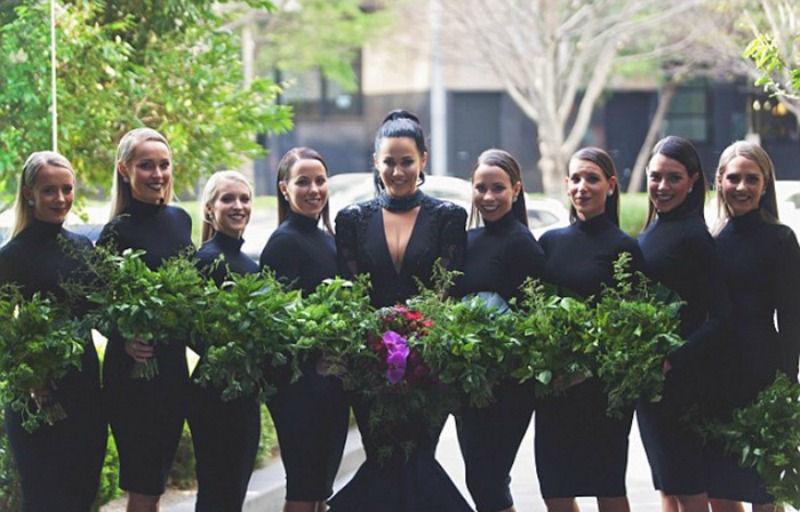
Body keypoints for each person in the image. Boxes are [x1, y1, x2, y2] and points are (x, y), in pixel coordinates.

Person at [333, 109, 469, 511]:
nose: (397, 171)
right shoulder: (352, 220)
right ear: (375, 161)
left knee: (418, 459)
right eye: (388, 161)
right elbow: (352, 298)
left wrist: (419, 349)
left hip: (428, 368)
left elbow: (447, 292)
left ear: (423, 160)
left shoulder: (448, 217)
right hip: (371, 369)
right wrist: (376, 350)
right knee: (383, 459)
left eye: (406, 161)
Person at [536, 147, 643, 512]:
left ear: (611, 186)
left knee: (608, 485)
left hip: (603, 391)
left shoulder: (624, 248)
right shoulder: (549, 243)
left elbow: (632, 329)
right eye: (576, 179)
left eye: (592, 179)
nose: (582, 187)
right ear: (566, 185)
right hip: (555, 389)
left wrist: (588, 369)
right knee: (555, 488)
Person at [0, 151, 107, 511]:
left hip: (86, 391)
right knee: (46, 500)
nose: (60, 199)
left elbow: (101, 314)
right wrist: (29, 378)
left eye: (66, 189)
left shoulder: (83, 248)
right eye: (49, 190)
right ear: (29, 193)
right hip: (38, 397)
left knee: (83, 496)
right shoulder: (11, 256)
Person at [97, 127, 194, 512]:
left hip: (171, 367)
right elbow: (94, 303)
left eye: (163, 165)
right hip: (131, 371)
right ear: (124, 169)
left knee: (156, 484)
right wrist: (122, 337)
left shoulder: (180, 220)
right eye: (146, 165)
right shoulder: (115, 231)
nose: (157, 174)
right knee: (142, 482)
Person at [636, 135, 730, 512]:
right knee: (667, 485)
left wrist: (674, 358)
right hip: (651, 380)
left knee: (689, 488)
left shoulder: (695, 236)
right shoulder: (652, 230)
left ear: (693, 181)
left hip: (682, 382)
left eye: (673, 178)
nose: (662, 186)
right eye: (655, 177)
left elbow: (722, 315)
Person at [708, 141, 800, 512]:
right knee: (720, 488)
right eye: (733, 178)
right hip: (714, 375)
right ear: (719, 182)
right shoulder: (710, 239)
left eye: (751, 179)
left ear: (765, 185)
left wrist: (788, 383)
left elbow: (793, 316)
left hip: (763, 373)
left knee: (764, 489)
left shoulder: (780, 240)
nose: (741, 187)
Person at [453, 148, 545, 512]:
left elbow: (536, 321)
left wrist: (500, 358)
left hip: (509, 385)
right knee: (479, 477)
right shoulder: (466, 241)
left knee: (488, 477)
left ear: (516, 190)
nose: (488, 197)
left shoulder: (522, 243)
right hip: (469, 381)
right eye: (481, 188)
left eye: (498, 188)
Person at [260, 147, 350, 512]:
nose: (314, 189)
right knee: (302, 485)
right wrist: (315, 359)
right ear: (284, 188)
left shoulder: (329, 239)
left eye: (319, 180)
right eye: (303, 182)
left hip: (331, 382)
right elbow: (276, 321)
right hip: (298, 385)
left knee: (320, 488)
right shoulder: (284, 242)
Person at [190, 170, 261, 511]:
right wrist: (226, 353)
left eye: (244, 199)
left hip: (246, 394)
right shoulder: (203, 262)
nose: (238, 206)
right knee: (217, 491)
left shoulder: (252, 266)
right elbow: (192, 328)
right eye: (228, 199)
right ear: (209, 209)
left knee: (235, 492)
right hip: (212, 395)